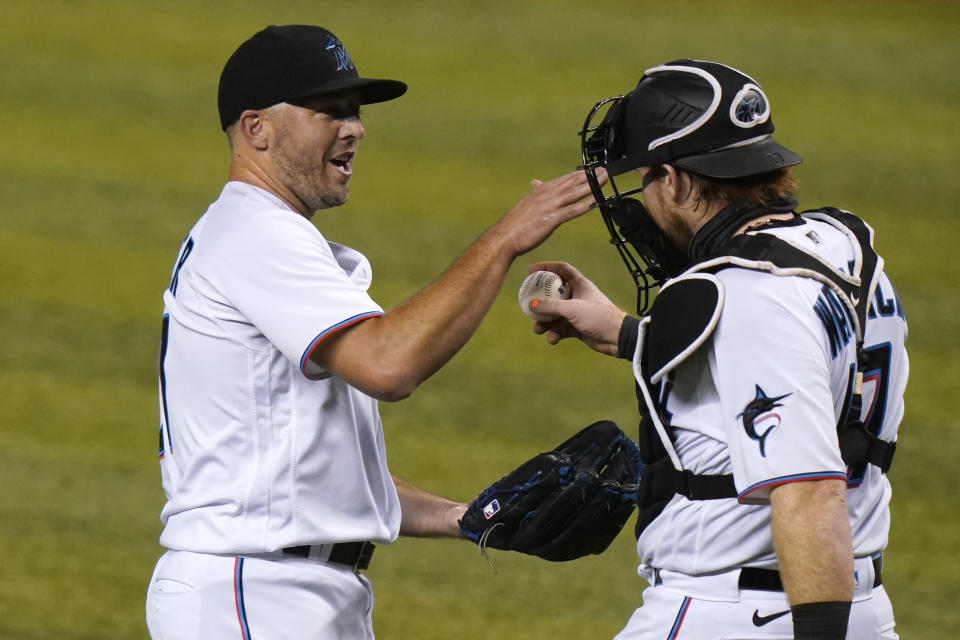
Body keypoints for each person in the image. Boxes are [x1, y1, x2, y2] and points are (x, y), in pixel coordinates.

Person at [145, 24, 601, 640]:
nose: (354, 127)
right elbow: (389, 365)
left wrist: (458, 517)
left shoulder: (259, 237)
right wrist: (508, 238)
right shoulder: (255, 233)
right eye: (328, 110)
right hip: (254, 593)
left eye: (355, 112)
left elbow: (308, 475)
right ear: (257, 129)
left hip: (281, 591)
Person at [527, 59, 906, 639]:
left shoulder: (751, 295)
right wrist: (627, 335)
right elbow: (793, 365)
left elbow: (809, 491)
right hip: (858, 605)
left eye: (647, 180)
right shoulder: (844, 247)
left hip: (746, 613)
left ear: (675, 180)